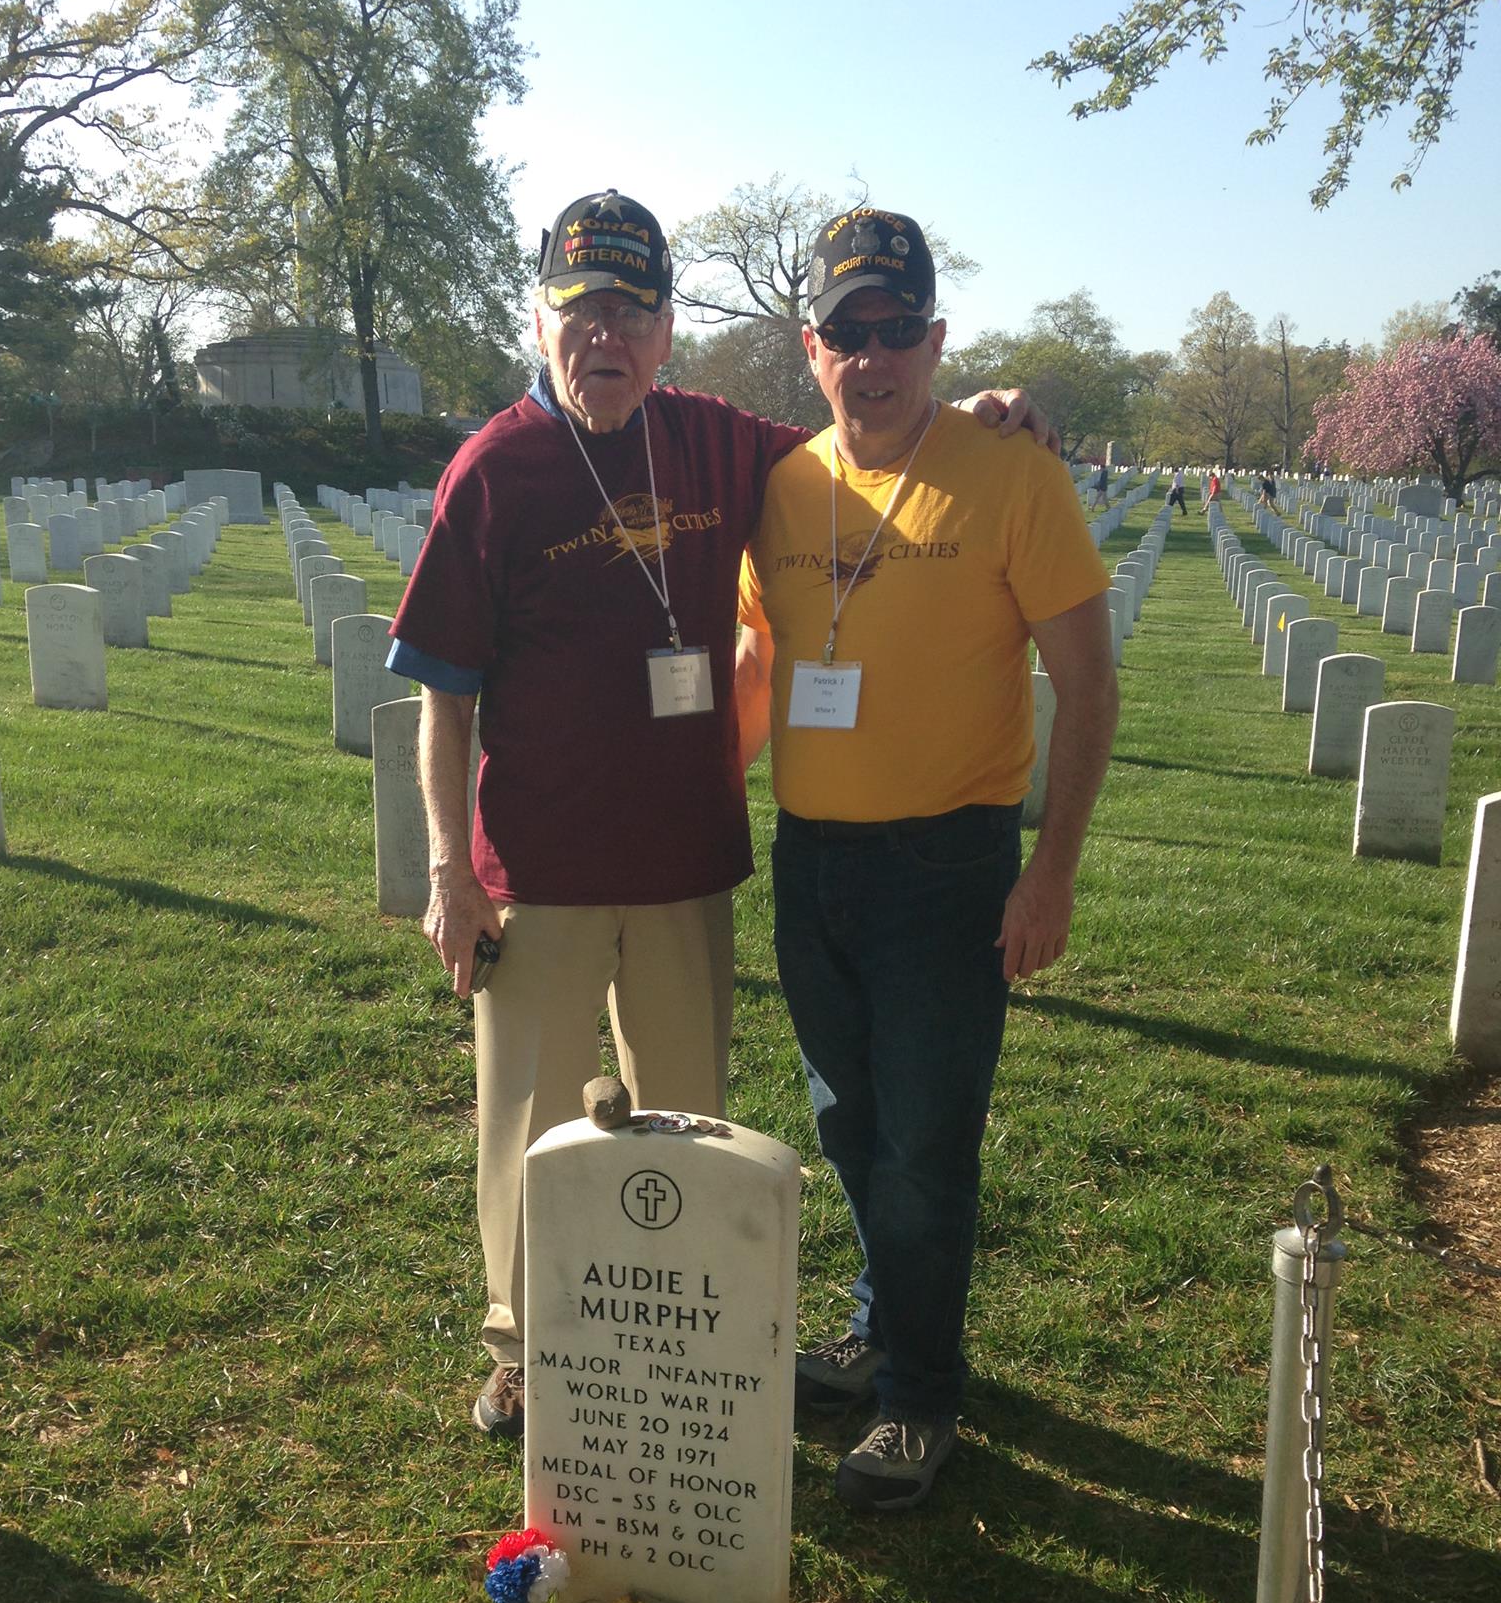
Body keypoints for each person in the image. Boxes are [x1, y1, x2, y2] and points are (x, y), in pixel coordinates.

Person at [384, 189, 1051, 1441]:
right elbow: (446, 700)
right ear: (542, 315)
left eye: (632, 310)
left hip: (689, 864)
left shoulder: (714, 442)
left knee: (684, 1115)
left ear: (669, 329)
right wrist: (447, 873)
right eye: (582, 308)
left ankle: (669, 1328)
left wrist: (978, 411)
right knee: (524, 1121)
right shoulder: (493, 471)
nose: (606, 336)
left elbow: (866, 423)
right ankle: (525, 1344)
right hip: (539, 870)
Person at [736, 207, 1119, 1513]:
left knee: (925, 1148)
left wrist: (1049, 870)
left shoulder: (1011, 470)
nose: (875, 355)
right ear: (812, 347)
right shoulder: (782, 487)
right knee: (853, 1128)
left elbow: (1088, 682)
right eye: (850, 331)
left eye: (900, 329)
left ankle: (917, 1400)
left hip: (949, 869)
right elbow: (753, 663)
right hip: (814, 865)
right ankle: (882, 1326)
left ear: (938, 341)